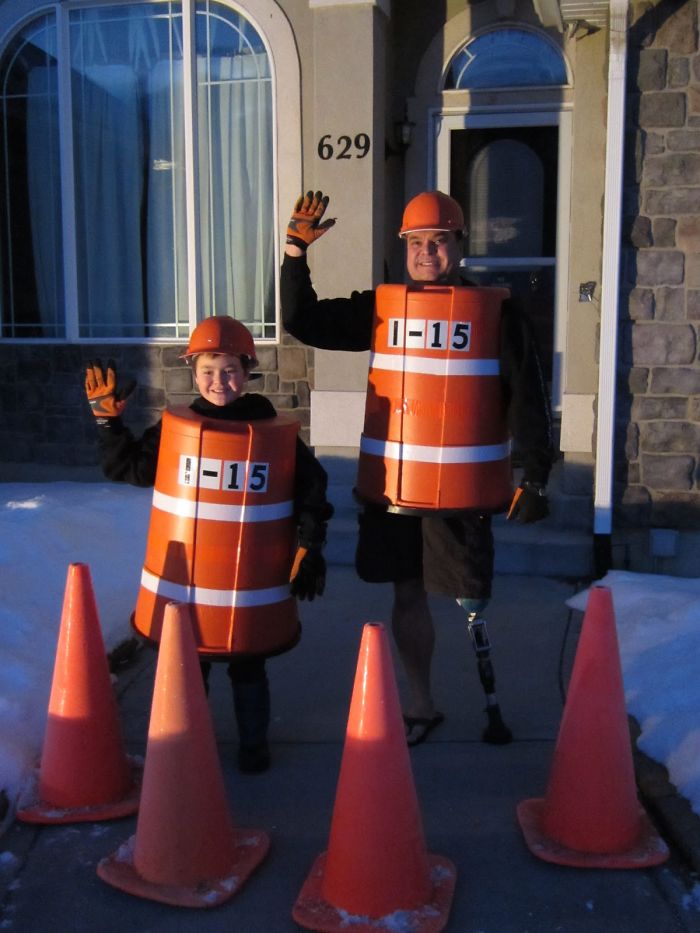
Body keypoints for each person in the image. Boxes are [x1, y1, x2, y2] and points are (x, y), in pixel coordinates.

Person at [281, 190, 554, 746]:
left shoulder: (495, 311)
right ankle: (421, 702)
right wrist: (294, 255)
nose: (427, 251)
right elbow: (304, 321)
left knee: (470, 597)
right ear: (403, 247)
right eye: (416, 242)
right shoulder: (384, 306)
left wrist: (536, 474)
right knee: (406, 592)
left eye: (438, 240)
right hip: (397, 487)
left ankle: (481, 690)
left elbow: (526, 392)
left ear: (459, 245)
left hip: (462, 486)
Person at [84, 315, 333, 773]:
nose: (219, 380)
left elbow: (312, 489)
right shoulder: (177, 428)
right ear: (193, 374)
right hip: (188, 584)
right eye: (208, 371)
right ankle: (186, 746)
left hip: (250, 585)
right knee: (188, 668)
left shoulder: (273, 432)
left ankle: (252, 746)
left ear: (248, 371)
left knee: (248, 667)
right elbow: (133, 470)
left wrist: (310, 543)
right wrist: (108, 425)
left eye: (230, 369)